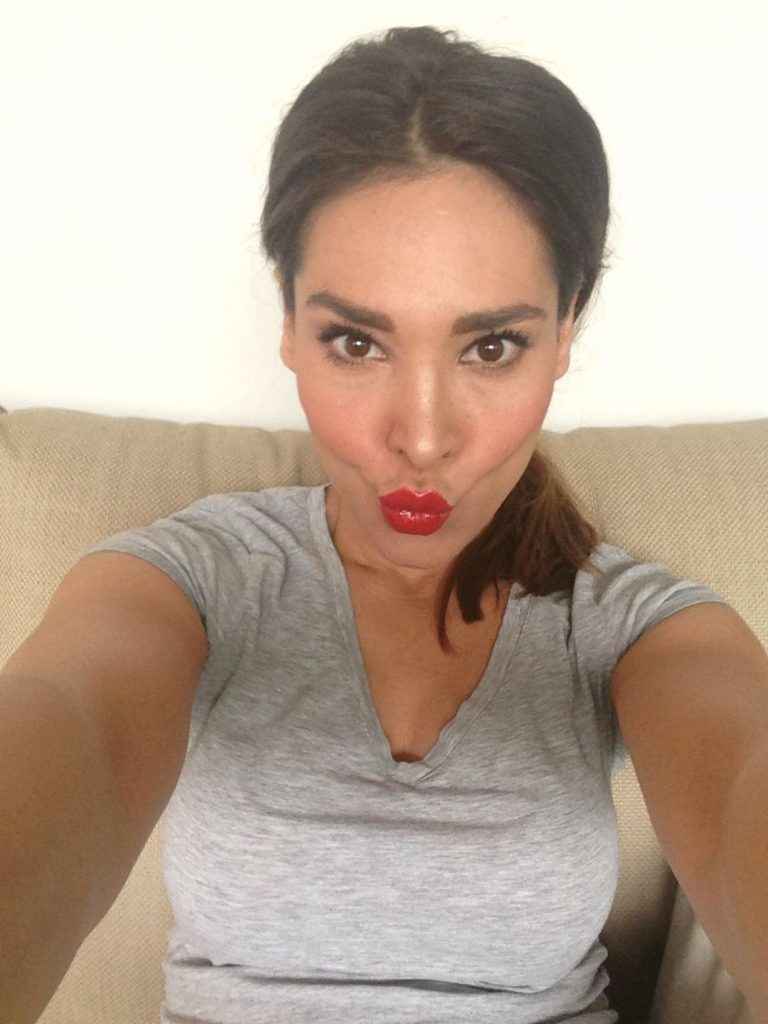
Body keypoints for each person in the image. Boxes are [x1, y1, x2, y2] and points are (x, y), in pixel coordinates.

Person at [3, 24, 765, 1024]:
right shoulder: (195, 579)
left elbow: (740, 765)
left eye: (491, 346)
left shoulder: (633, 625)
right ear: (288, 324)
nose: (422, 437)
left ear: (566, 329)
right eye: (356, 342)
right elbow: (71, 717)